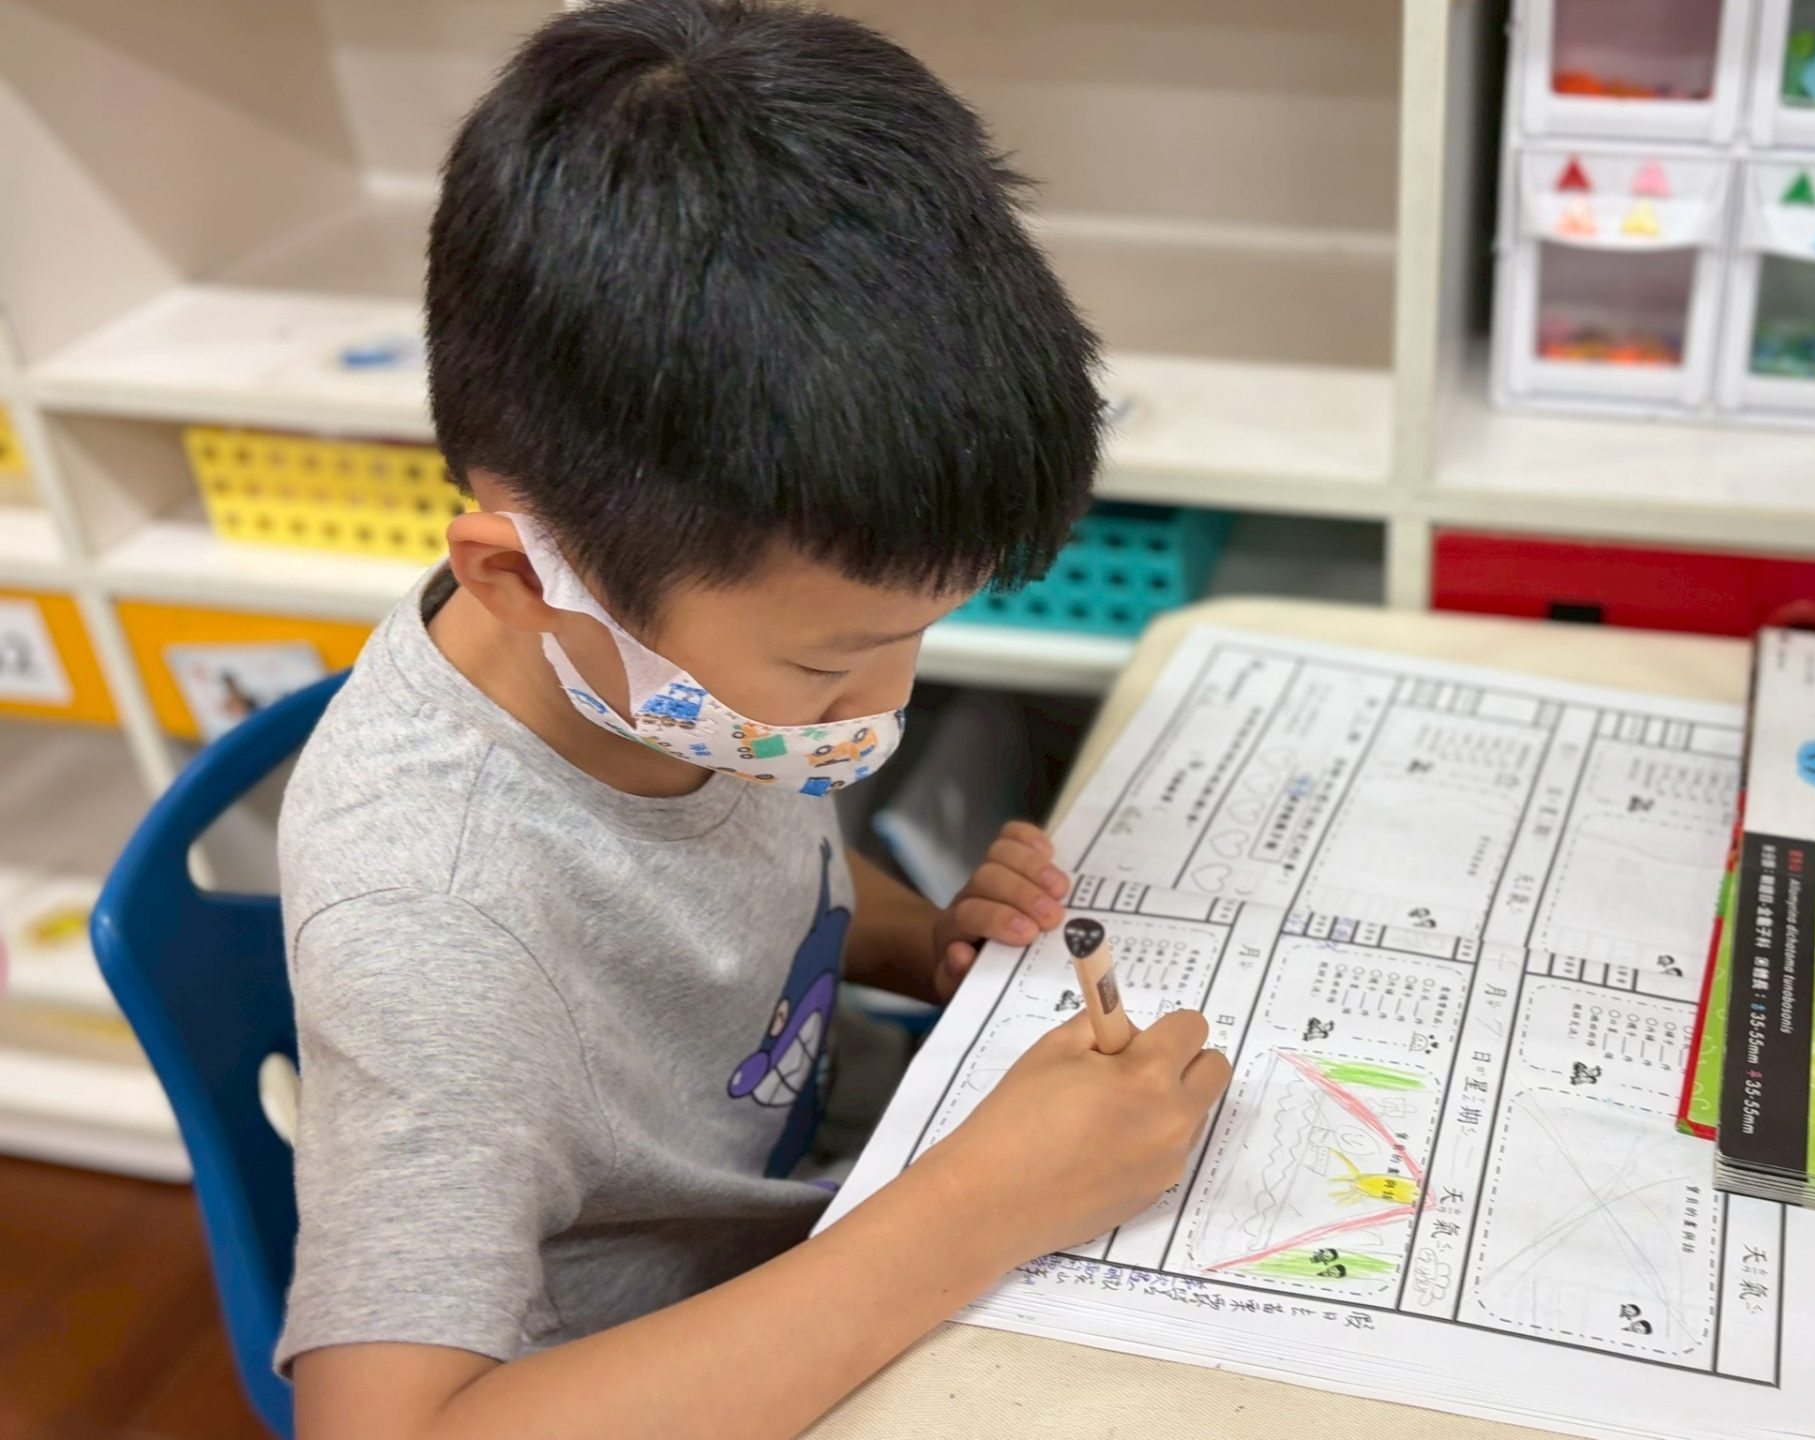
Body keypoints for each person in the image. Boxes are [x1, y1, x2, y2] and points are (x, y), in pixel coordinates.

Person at [275, 4, 1231, 1436]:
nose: (883, 706)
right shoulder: (434, 922)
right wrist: (982, 1206)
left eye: (916, 638)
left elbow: (732, 881)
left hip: (829, 1212)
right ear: (518, 579)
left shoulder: (656, 675)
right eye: (830, 667)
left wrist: (917, 938)